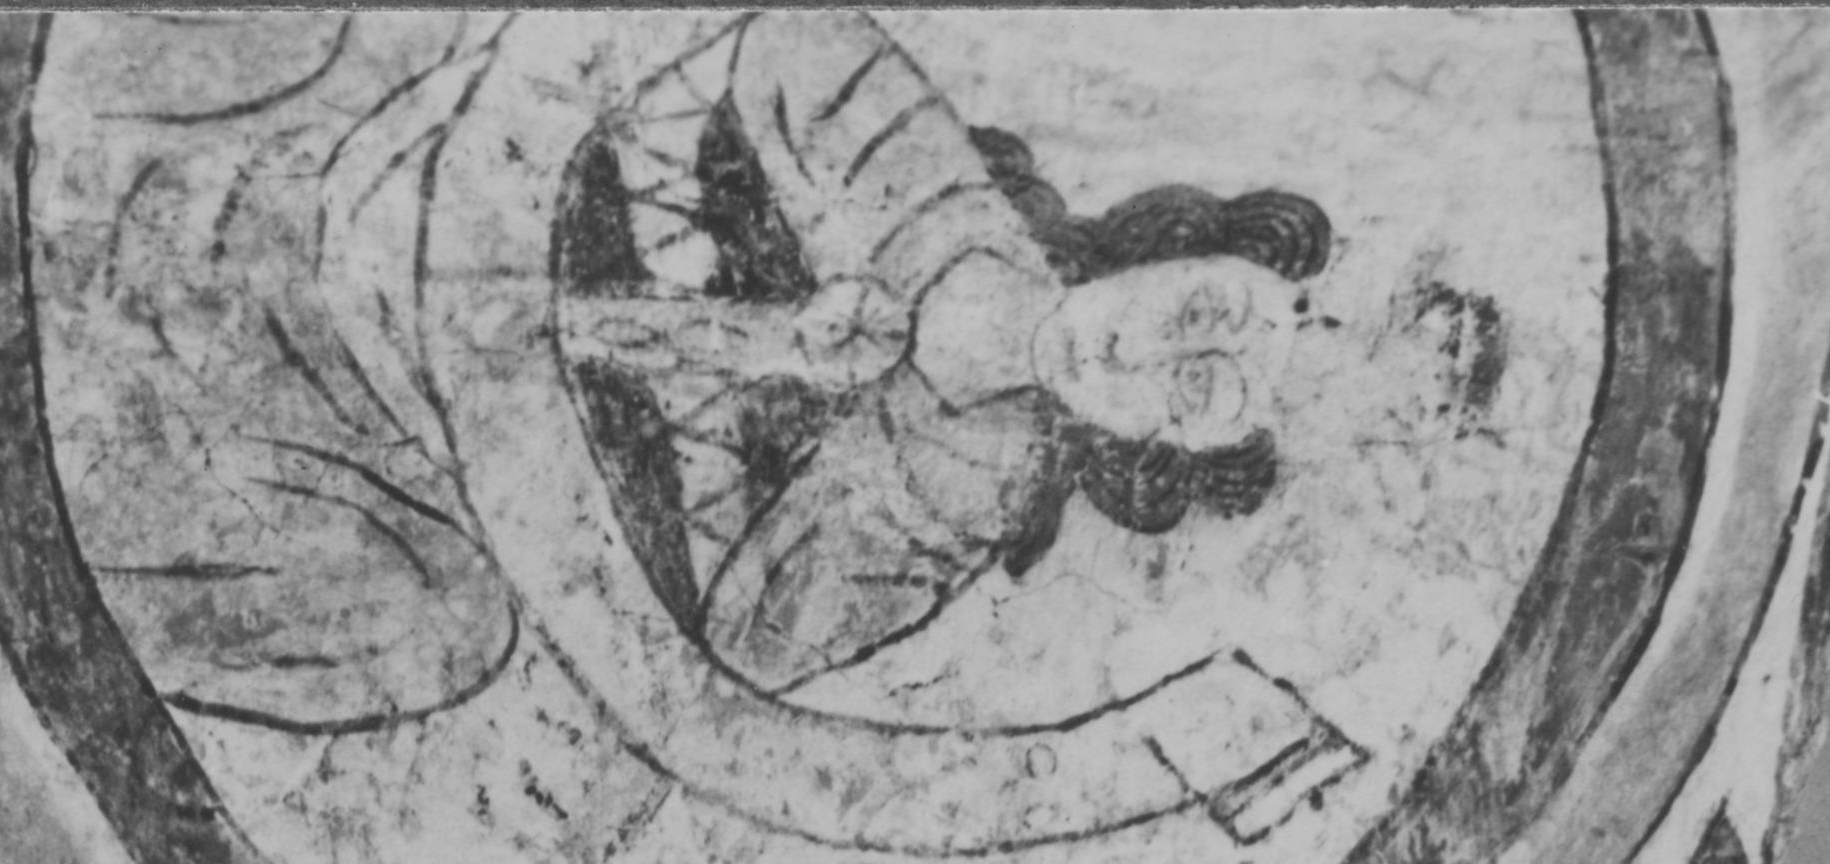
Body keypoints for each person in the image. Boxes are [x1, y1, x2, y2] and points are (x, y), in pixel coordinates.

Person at [556, 10, 1334, 694]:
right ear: (1165, 252)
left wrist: (784, 354)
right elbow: (795, 37)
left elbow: (745, 643)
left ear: (1163, 447)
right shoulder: (957, 210)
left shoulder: (966, 494)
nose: (1133, 354)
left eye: (1193, 388)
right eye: (1192, 310)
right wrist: (833, 245)